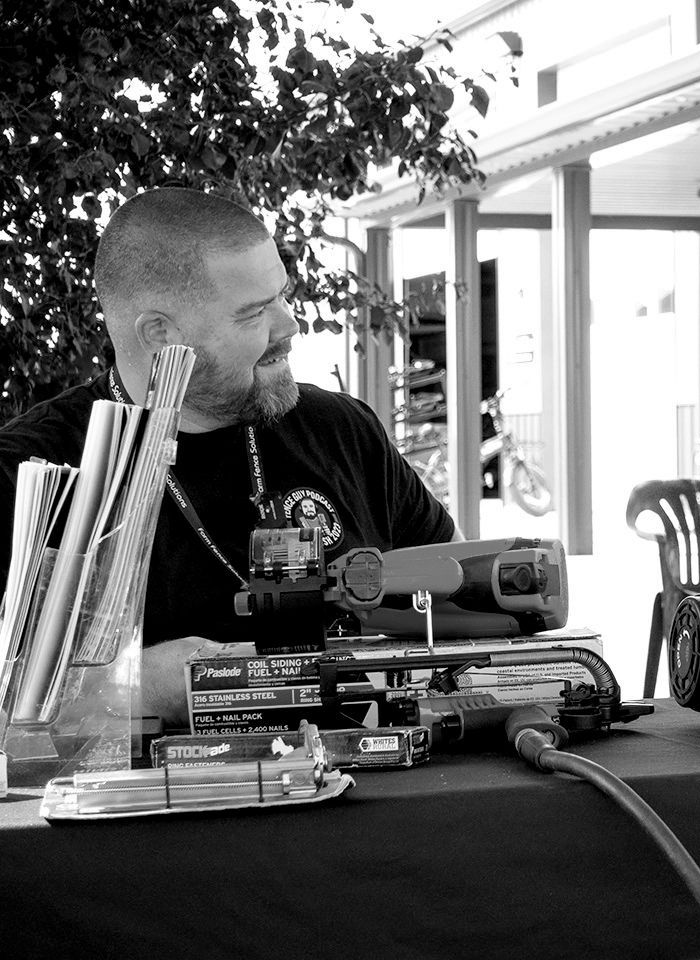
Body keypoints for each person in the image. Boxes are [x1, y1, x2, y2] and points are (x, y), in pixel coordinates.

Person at [0, 187, 457, 723]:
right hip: (160, 802)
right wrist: (134, 687)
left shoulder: (342, 429)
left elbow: (459, 596)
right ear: (160, 335)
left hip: (374, 785)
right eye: (254, 313)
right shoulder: (32, 474)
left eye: (283, 296)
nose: (290, 326)